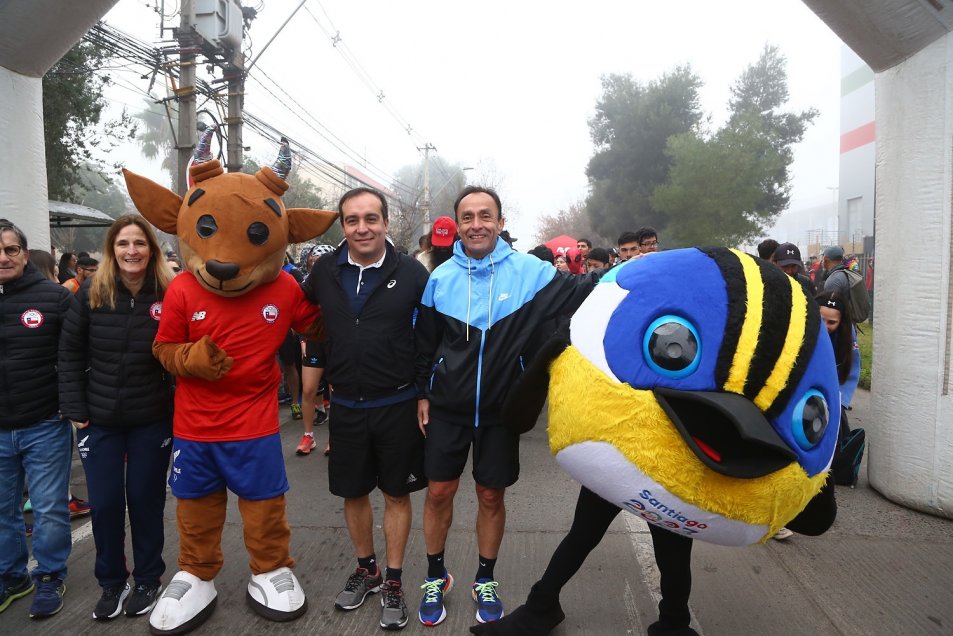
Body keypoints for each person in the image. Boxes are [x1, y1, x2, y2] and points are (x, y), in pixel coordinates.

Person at [414, 186, 598, 626]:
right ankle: (436, 576)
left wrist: (636, 272)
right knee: (439, 493)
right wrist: (423, 391)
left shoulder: (531, 273)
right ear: (457, 224)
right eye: (467, 217)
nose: (476, 224)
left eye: (485, 215)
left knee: (490, 495)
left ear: (499, 220)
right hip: (447, 409)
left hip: (500, 412)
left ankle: (485, 579)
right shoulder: (439, 278)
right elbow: (423, 345)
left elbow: (584, 291)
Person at [301, 187, 430, 630]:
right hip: (346, 405)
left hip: (397, 403)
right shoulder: (322, 274)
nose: (362, 227)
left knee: (396, 493)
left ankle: (393, 580)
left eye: (371, 218)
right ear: (343, 225)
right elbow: (297, 312)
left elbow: (430, 339)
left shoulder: (412, 273)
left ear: (386, 223)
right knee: (353, 492)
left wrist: (424, 393)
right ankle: (367, 569)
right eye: (353, 220)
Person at [58, 215, 175, 619]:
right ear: (112, 250)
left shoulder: (169, 292)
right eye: (123, 243)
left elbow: (182, 353)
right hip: (100, 420)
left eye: (140, 243)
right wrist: (75, 408)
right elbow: (69, 353)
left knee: (145, 501)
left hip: (152, 420)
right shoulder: (91, 292)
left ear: (152, 250)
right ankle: (111, 583)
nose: (131, 251)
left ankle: (147, 579)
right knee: (105, 504)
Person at [0, 219, 76, 618]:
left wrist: (71, 403)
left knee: (47, 508)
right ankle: (12, 577)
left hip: (44, 423)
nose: (3, 257)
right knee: (2, 509)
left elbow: (75, 356)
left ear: (25, 255)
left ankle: (50, 576)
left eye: (11, 250)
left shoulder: (54, 298)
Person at [816, 290, 861, 407]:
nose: (824, 327)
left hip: (833, 388)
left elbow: (851, 369)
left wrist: (840, 401)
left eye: (831, 322)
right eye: (821, 320)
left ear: (841, 322)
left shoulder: (847, 334)